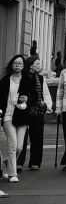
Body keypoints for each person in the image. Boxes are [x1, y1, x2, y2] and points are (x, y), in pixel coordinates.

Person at [16, 57, 51, 170]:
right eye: (37, 64)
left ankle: (35, 162)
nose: (39, 66)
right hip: (23, 110)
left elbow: (45, 94)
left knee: (37, 136)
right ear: (30, 65)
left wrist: (47, 105)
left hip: (37, 110)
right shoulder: (22, 77)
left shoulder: (40, 78)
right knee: (22, 137)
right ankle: (19, 162)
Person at [0, 54, 29, 182]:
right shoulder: (5, 80)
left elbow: (34, 97)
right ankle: (13, 174)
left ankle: (6, 164)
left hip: (22, 116)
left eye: (20, 63)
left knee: (19, 147)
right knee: (12, 145)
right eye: (15, 63)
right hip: (7, 116)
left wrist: (27, 99)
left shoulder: (28, 80)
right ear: (11, 65)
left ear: (23, 66)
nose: (17, 65)